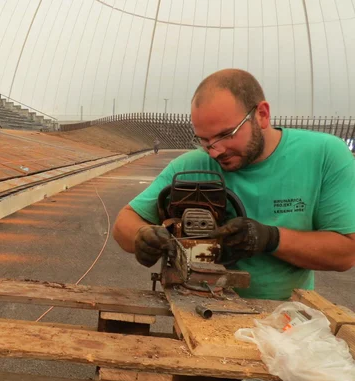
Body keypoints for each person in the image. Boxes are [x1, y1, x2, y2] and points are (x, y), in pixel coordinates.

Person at [113, 68, 355, 300]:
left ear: (262, 115)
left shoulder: (323, 155)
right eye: (204, 140)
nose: (215, 151)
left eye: (226, 135)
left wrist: (270, 239)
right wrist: (141, 236)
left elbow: (345, 253)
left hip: (285, 319)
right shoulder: (191, 167)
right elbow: (124, 223)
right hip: (199, 308)